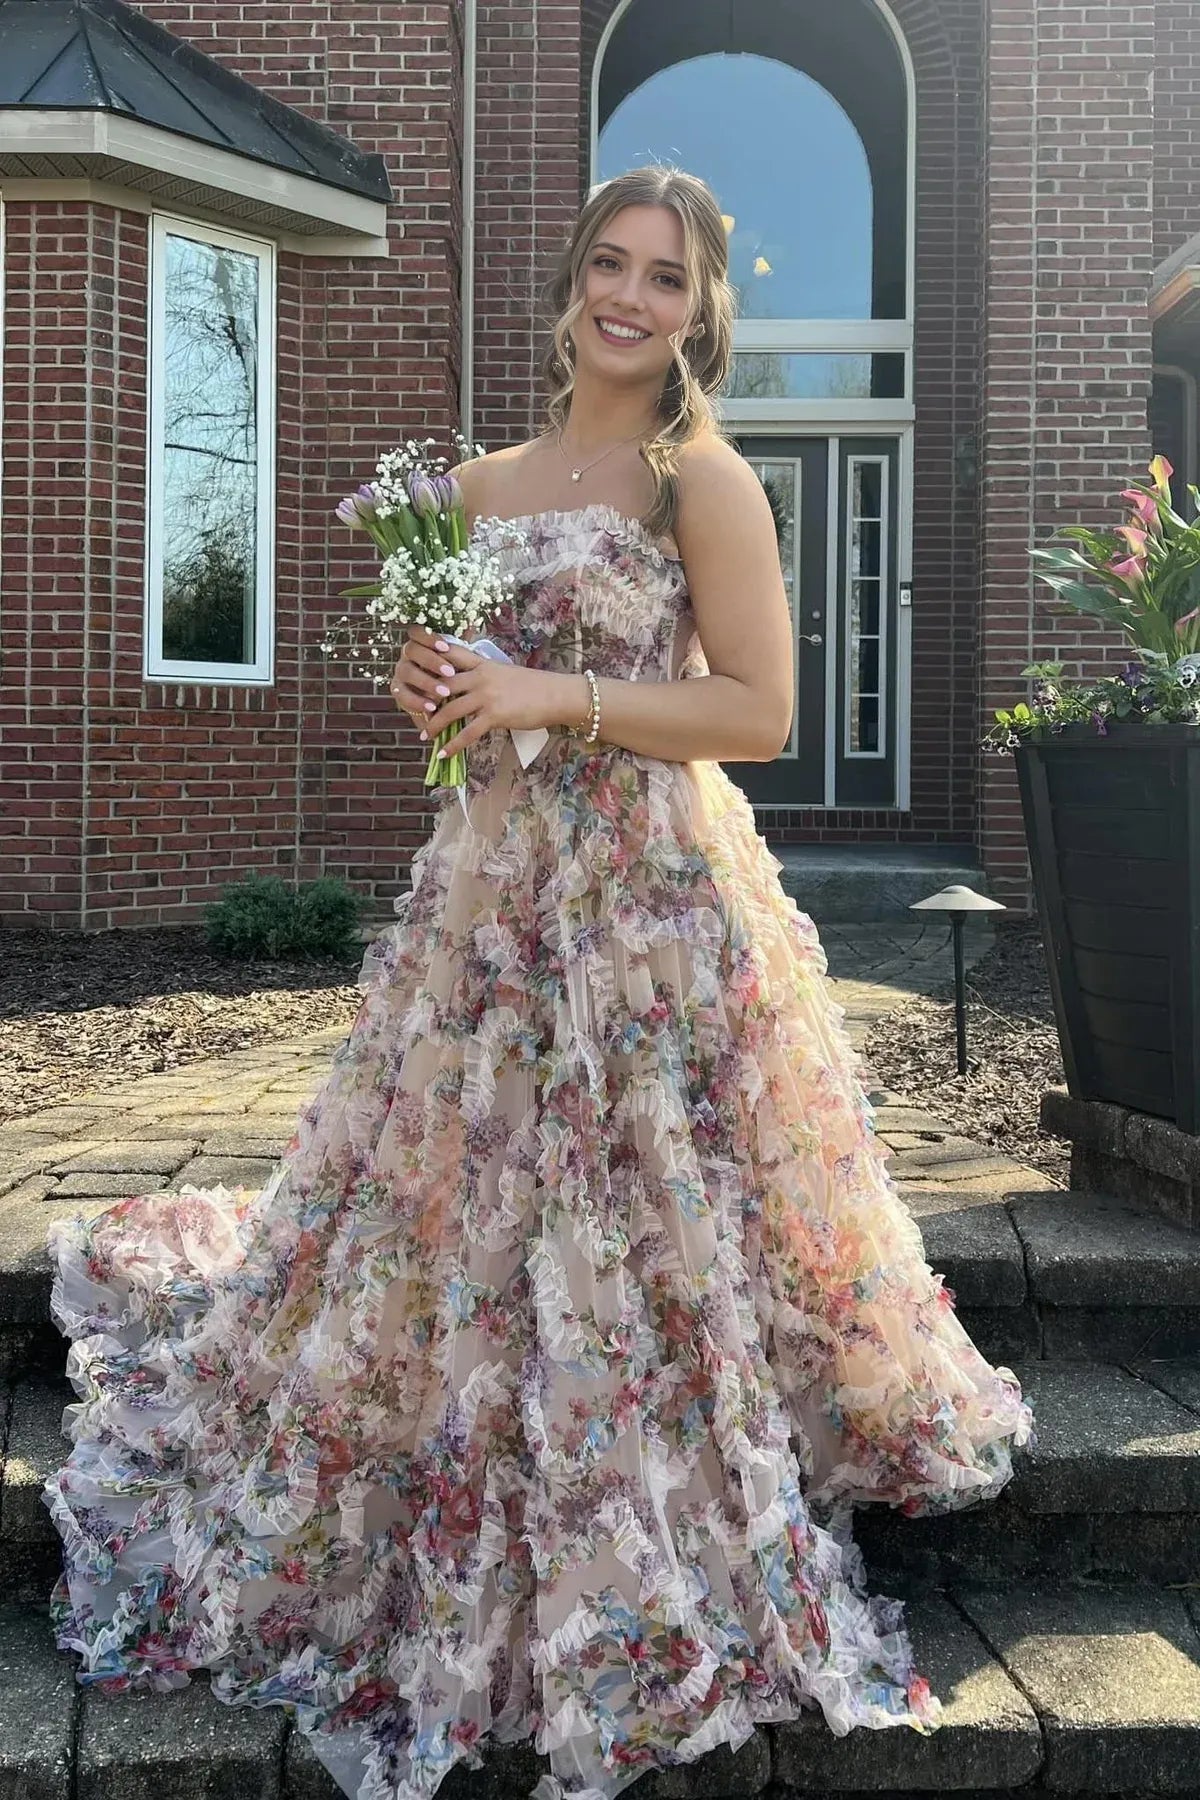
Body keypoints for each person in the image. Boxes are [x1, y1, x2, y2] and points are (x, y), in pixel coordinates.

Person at [43, 165, 1034, 1800]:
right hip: (492, 906)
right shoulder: (478, 483)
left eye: (665, 279)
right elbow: (447, 695)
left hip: (648, 913)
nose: (630, 300)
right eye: (609, 267)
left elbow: (759, 714)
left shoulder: (696, 481)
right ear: (570, 280)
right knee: (462, 1195)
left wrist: (549, 689)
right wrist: (431, 676)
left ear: (701, 310)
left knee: (650, 1205)